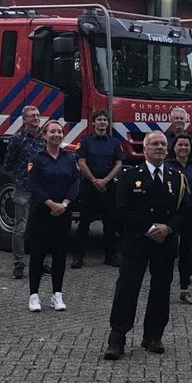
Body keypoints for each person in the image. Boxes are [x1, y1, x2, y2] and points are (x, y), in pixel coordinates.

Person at [104, 131, 189, 360]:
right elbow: (121, 210)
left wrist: (169, 228)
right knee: (127, 290)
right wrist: (147, 228)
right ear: (145, 150)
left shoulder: (177, 178)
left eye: (163, 144)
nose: (159, 147)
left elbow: (186, 211)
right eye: (154, 144)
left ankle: (153, 336)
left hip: (165, 244)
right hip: (137, 243)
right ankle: (117, 338)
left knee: (160, 291)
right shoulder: (130, 176)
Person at [26, 120, 80, 312]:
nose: (56, 135)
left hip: (63, 213)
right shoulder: (37, 158)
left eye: (59, 131)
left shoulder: (69, 159)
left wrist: (64, 204)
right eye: (52, 132)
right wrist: (50, 203)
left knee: (59, 254)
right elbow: (34, 184)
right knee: (38, 253)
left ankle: (57, 295)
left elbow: (75, 182)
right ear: (44, 135)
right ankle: (34, 296)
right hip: (42, 212)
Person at [71, 109, 123, 269]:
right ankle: (78, 257)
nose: (102, 123)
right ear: (93, 123)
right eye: (99, 120)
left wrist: (105, 181)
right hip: (89, 186)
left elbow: (119, 164)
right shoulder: (85, 142)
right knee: (84, 222)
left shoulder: (114, 143)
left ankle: (110, 256)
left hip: (108, 186)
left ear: (108, 123)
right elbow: (81, 162)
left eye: (104, 120)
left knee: (110, 222)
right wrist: (94, 180)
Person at [167, 133, 192, 305]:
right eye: (180, 145)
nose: (183, 148)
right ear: (174, 147)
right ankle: (164, 289)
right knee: (168, 254)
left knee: (187, 254)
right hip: (171, 217)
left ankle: (185, 289)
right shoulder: (167, 166)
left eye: (186, 145)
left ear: (191, 149)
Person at [4, 106, 44, 280]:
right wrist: (20, 179)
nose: (36, 118)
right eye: (32, 116)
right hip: (23, 189)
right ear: (24, 120)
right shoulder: (17, 139)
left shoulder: (45, 138)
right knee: (20, 229)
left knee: (41, 229)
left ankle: (39, 263)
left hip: (42, 191)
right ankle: (18, 265)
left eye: (37, 115)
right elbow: (8, 164)